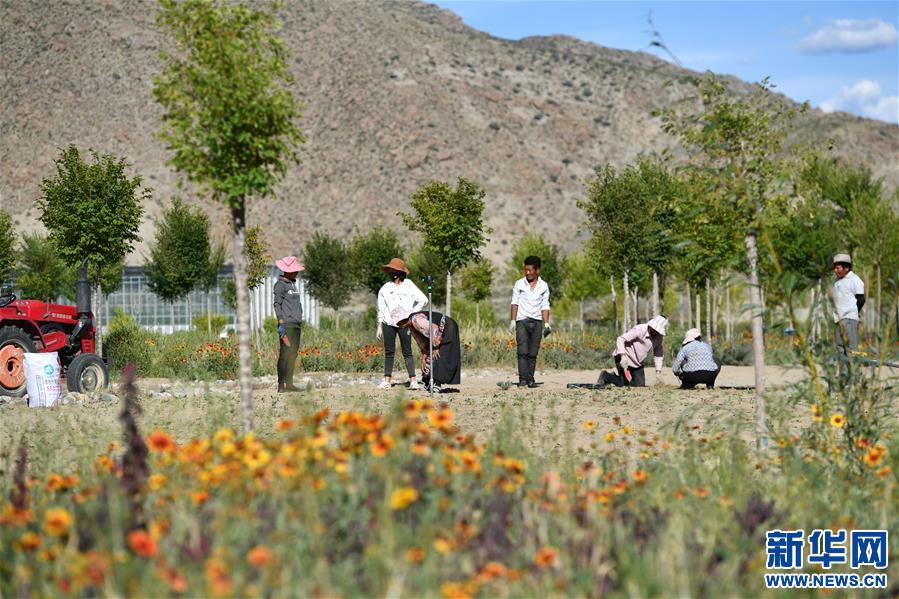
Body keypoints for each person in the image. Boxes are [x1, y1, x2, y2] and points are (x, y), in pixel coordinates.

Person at [376, 258, 428, 390]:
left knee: (407, 351)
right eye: (390, 270)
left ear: (399, 272)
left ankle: (413, 380)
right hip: (388, 323)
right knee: (389, 351)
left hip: (405, 324)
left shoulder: (409, 285)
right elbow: (381, 308)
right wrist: (379, 326)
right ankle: (387, 380)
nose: (391, 272)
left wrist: (411, 314)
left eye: (393, 270)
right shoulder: (385, 289)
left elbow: (423, 300)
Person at [396, 308, 461, 392]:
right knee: (430, 355)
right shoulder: (411, 327)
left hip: (448, 327)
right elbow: (423, 343)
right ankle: (428, 382)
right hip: (440, 332)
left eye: (400, 323)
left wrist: (436, 347)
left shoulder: (416, 320)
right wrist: (424, 356)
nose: (400, 326)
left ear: (405, 320)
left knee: (440, 354)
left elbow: (434, 328)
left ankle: (437, 383)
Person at [510, 255, 551, 388]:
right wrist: (512, 320)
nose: (527, 273)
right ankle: (522, 379)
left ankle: (530, 379)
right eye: (525, 270)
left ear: (537, 270)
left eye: (530, 270)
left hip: (537, 322)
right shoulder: (519, 284)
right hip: (522, 321)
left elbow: (545, 305)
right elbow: (514, 302)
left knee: (533, 352)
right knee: (522, 351)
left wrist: (546, 324)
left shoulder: (544, 286)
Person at [596, 315, 669, 387]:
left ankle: (614, 377)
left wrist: (658, 372)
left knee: (639, 385)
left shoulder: (659, 337)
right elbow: (621, 339)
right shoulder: (640, 329)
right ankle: (606, 376)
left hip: (637, 363)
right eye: (654, 329)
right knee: (624, 383)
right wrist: (622, 355)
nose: (655, 332)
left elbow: (658, 354)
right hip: (624, 357)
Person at [273, 256, 305, 393]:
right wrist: (281, 323)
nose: (297, 272)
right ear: (288, 271)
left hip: (296, 324)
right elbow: (277, 304)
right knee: (285, 354)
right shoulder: (280, 285)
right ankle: (281, 385)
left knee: (293, 354)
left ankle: (290, 384)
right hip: (286, 324)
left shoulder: (293, 284)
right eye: (295, 270)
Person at [832, 253, 865, 367]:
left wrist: (853, 312)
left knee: (852, 349)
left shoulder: (854, 280)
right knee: (840, 348)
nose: (835, 270)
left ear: (846, 267)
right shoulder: (837, 281)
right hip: (838, 318)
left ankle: (855, 377)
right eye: (834, 267)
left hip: (849, 319)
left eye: (838, 267)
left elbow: (861, 299)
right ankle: (844, 376)